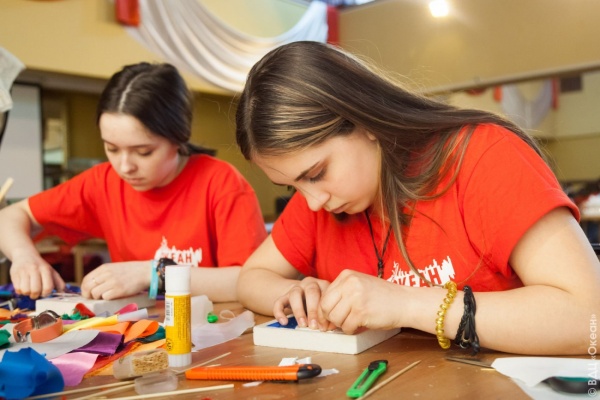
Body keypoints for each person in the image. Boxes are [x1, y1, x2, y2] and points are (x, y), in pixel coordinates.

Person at [234, 41, 600, 355]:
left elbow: (590, 319)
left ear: (365, 121)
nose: (312, 202)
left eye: (316, 173)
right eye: (292, 187)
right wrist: (301, 292)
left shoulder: (481, 155)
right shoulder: (322, 199)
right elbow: (251, 278)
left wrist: (407, 304)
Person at [0, 62, 267, 301]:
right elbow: (9, 216)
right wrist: (25, 257)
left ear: (178, 137)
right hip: (141, 332)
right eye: (112, 148)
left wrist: (150, 274)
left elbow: (249, 281)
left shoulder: (221, 182)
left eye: (144, 152)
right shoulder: (103, 182)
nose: (125, 167)